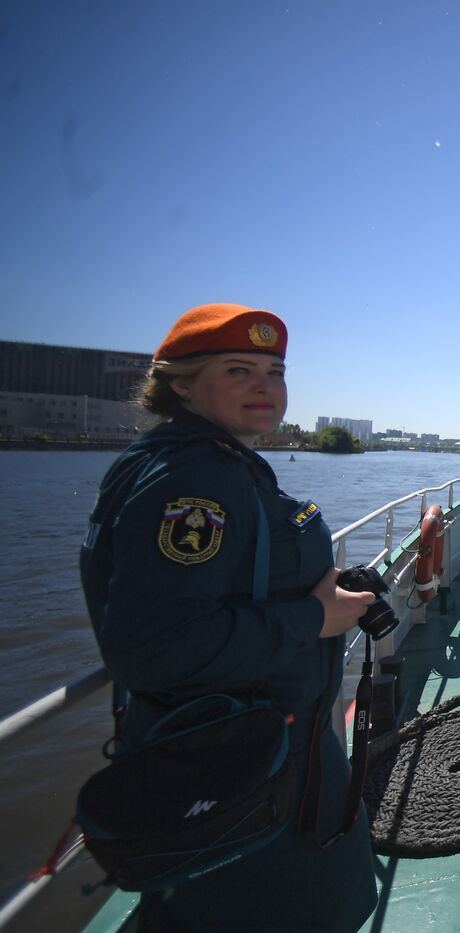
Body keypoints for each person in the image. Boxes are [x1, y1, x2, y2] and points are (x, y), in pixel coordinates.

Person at [80, 303, 379, 931]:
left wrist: (319, 596)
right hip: (240, 767)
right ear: (182, 384)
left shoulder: (208, 462)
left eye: (274, 370)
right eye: (239, 369)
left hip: (267, 750)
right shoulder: (192, 482)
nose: (265, 386)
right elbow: (157, 648)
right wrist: (314, 618)